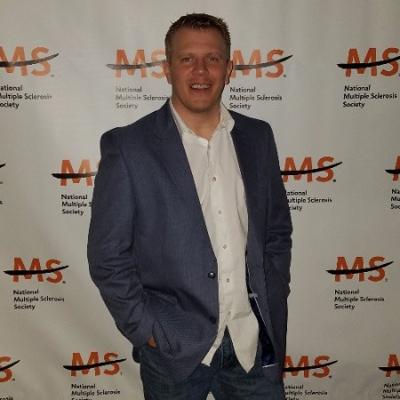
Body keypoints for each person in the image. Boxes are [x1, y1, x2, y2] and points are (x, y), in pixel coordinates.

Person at [88, 13, 292, 400]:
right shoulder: (128, 147)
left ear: (228, 69)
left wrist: (273, 293)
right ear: (168, 68)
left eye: (212, 58)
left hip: (252, 343)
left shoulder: (258, 137)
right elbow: (107, 254)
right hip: (173, 352)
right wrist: (147, 330)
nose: (200, 71)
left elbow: (277, 231)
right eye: (187, 59)